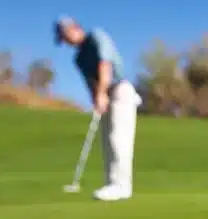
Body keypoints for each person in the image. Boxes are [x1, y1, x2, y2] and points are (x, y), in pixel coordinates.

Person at [55, 16, 142, 201]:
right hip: (104, 94)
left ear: (74, 28)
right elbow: (90, 83)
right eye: (62, 39)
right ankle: (112, 183)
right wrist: (96, 98)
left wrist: (102, 93)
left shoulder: (96, 36)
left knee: (118, 138)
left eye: (65, 36)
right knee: (107, 142)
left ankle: (121, 187)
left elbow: (105, 65)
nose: (66, 42)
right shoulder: (78, 58)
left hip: (120, 91)